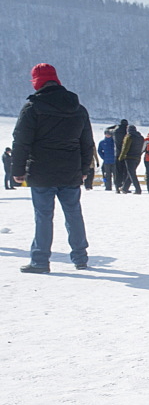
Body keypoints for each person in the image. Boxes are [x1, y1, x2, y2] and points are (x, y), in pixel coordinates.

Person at [11, 63, 93, 273]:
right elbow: (87, 143)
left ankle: (40, 261)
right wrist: (84, 169)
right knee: (74, 214)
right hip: (71, 171)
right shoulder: (78, 108)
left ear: (37, 82)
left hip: (42, 171)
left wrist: (17, 170)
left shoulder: (32, 107)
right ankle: (80, 258)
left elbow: (21, 141)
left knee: (43, 216)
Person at [118, 124, 144, 194]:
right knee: (131, 173)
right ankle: (125, 188)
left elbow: (125, 148)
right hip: (138, 157)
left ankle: (138, 189)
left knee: (132, 173)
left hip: (129, 157)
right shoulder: (141, 137)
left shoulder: (129, 136)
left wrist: (121, 157)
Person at [113, 119, 129, 193]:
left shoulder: (116, 131)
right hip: (126, 154)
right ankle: (124, 187)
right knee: (125, 171)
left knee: (118, 171)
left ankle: (117, 186)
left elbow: (108, 129)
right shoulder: (127, 132)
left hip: (117, 153)